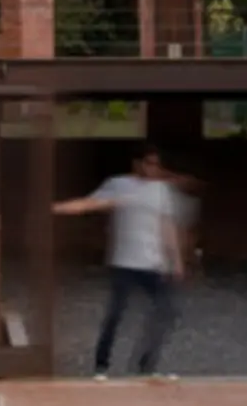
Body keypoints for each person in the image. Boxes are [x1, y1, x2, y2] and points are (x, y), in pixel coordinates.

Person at [54, 144, 186, 378]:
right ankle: (101, 365)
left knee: (166, 310)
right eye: (148, 163)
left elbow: (167, 226)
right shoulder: (120, 185)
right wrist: (56, 208)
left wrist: (176, 261)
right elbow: (89, 204)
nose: (153, 169)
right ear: (137, 163)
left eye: (156, 165)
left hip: (153, 264)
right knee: (115, 315)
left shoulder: (161, 191)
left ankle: (146, 365)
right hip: (125, 264)